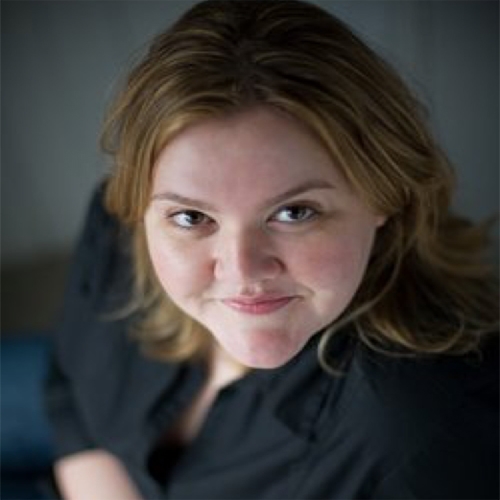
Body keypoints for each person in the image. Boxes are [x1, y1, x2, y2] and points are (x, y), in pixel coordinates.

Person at [45, 1, 499, 499]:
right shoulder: (118, 228)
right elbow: (68, 386)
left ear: (384, 196)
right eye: (191, 217)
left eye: (295, 212)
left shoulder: (422, 433)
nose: (242, 271)